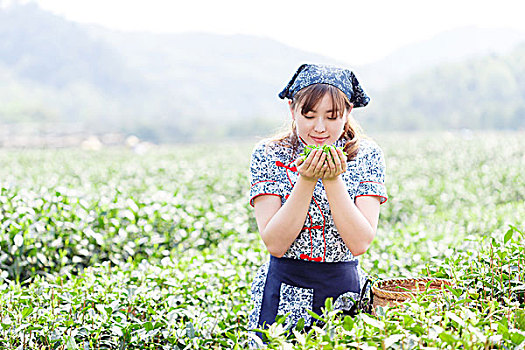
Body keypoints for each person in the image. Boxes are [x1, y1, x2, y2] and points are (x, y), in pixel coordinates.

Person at [247, 63, 388, 341]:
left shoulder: (368, 156)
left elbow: (359, 243)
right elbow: (275, 243)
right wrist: (307, 180)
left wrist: (333, 180)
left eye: (332, 116)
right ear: (292, 109)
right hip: (283, 290)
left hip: (343, 292)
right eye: (309, 115)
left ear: (347, 113)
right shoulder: (268, 154)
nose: (320, 128)